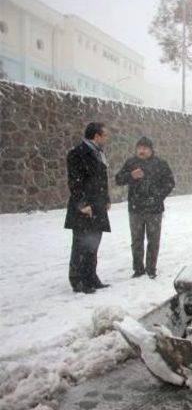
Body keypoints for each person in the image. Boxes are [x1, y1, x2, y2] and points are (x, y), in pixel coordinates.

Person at [115, 137, 175, 279]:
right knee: (136, 240)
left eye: (144, 148)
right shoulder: (131, 163)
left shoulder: (160, 163)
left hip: (154, 209)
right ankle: (138, 269)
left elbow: (170, 182)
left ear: (151, 149)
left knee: (153, 240)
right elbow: (118, 179)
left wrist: (157, 197)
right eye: (139, 148)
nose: (141, 151)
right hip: (135, 209)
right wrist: (130, 175)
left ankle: (151, 268)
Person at [64, 122, 111, 293]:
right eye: (104, 135)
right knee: (80, 245)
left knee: (93, 244)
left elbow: (101, 180)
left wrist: (106, 199)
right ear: (96, 136)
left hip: (97, 206)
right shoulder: (77, 154)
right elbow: (75, 181)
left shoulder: (98, 153)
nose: (106, 138)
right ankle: (78, 280)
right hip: (84, 207)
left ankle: (91, 277)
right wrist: (82, 204)